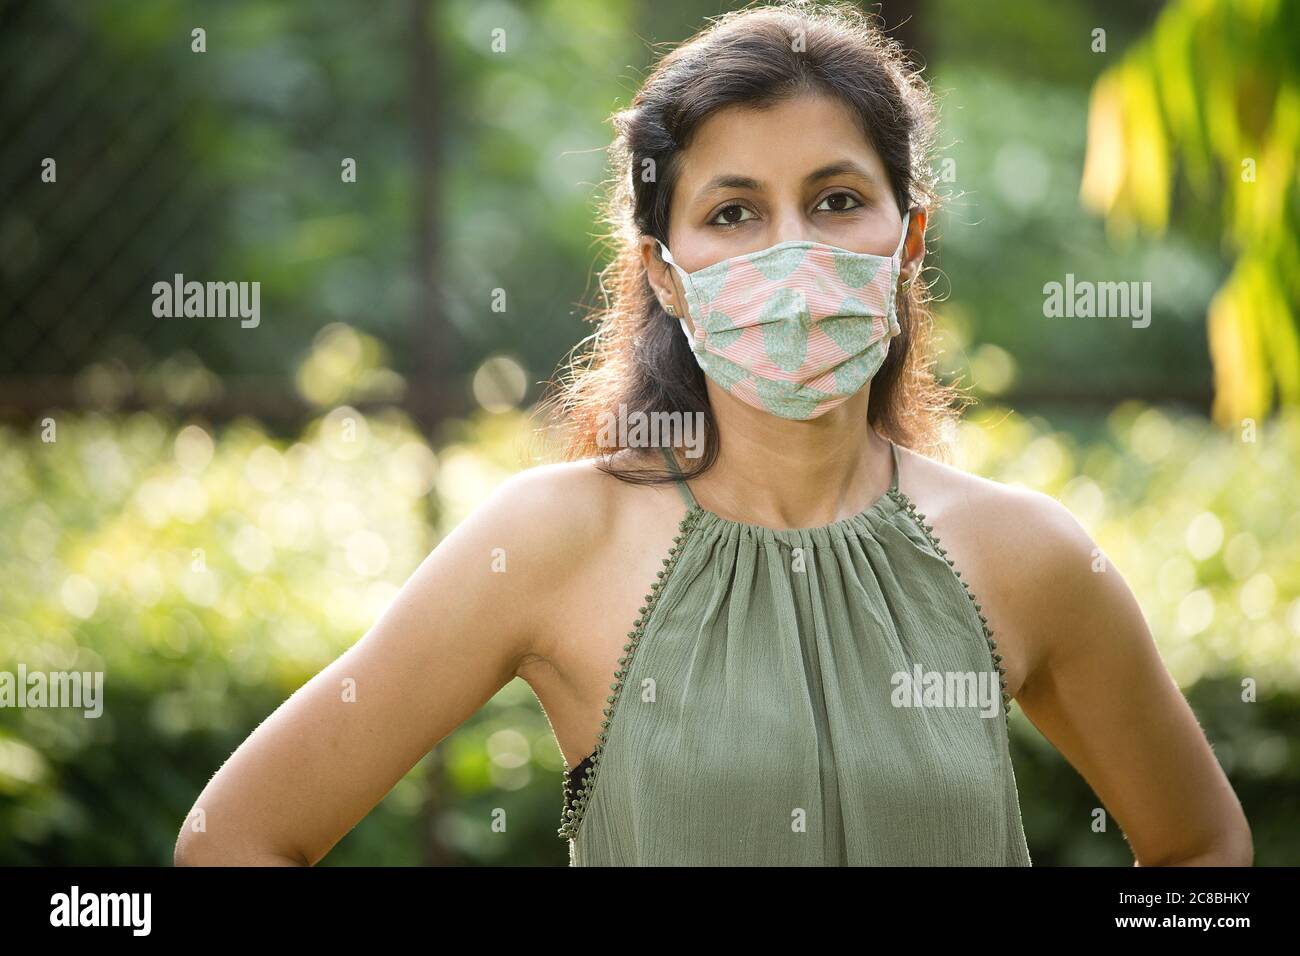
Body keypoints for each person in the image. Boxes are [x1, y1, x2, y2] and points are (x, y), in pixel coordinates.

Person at [174, 0, 1252, 867]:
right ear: (666, 273)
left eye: (835, 200)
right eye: (733, 212)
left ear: (907, 236)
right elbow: (236, 837)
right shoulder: (554, 540)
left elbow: (1203, 845)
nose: (791, 253)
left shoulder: (1026, 554)